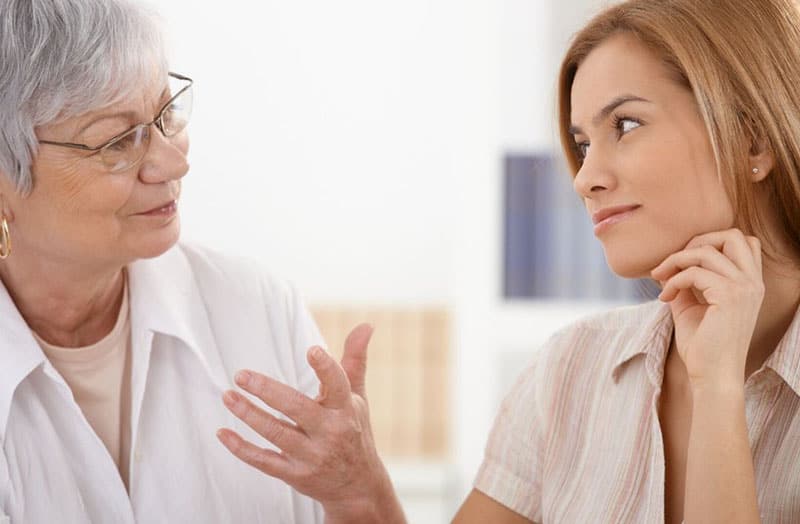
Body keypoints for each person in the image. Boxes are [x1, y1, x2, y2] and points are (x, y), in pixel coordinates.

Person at [217, 0, 800, 522]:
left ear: (752, 143)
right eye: (583, 144)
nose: (586, 178)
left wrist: (719, 390)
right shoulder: (570, 372)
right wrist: (356, 490)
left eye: (626, 125)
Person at [0, 0, 403, 522]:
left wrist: (360, 494)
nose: (175, 160)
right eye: (117, 142)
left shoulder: (258, 308)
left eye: (167, 114)